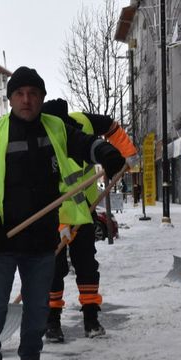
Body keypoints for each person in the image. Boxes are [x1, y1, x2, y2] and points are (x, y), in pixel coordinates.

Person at [0, 67, 125, 360]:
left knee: (38, 304)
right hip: (2, 237)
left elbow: (84, 143)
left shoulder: (56, 129)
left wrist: (106, 152)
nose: (26, 100)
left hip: (41, 236)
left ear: (41, 97)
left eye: (33, 93)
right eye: (19, 94)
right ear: (10, 99)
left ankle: (31, 359)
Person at [39, 99, 137, 342]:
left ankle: (91, 319)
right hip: (54, 215)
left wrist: (128, 154)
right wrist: (61, 225)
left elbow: (112, 127)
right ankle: (52, 322)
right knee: (53, 269)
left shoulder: (84, 123)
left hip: (85, 210)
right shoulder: (41, 140)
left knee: (86, 265)